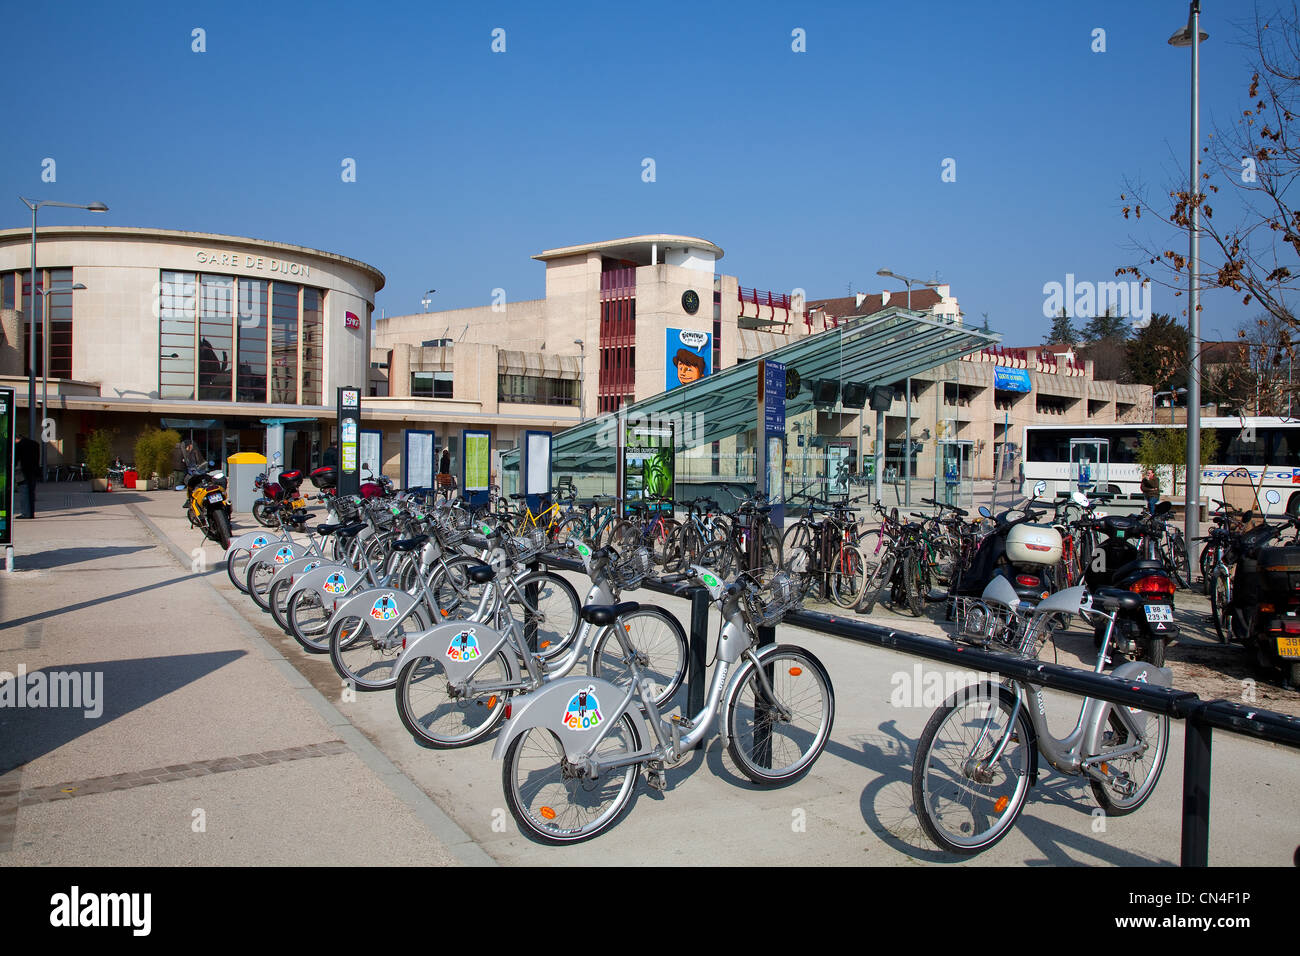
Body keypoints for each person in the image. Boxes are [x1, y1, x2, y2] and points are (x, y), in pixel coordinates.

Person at [15, 433, 40, 518]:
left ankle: (26, 513)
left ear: (16, 439)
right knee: (31, 492)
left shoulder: (18, 445)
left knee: (24, 492)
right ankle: (31, 513)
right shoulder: (35, 444)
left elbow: (15, 459)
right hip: (33, 471)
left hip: (22, 472)